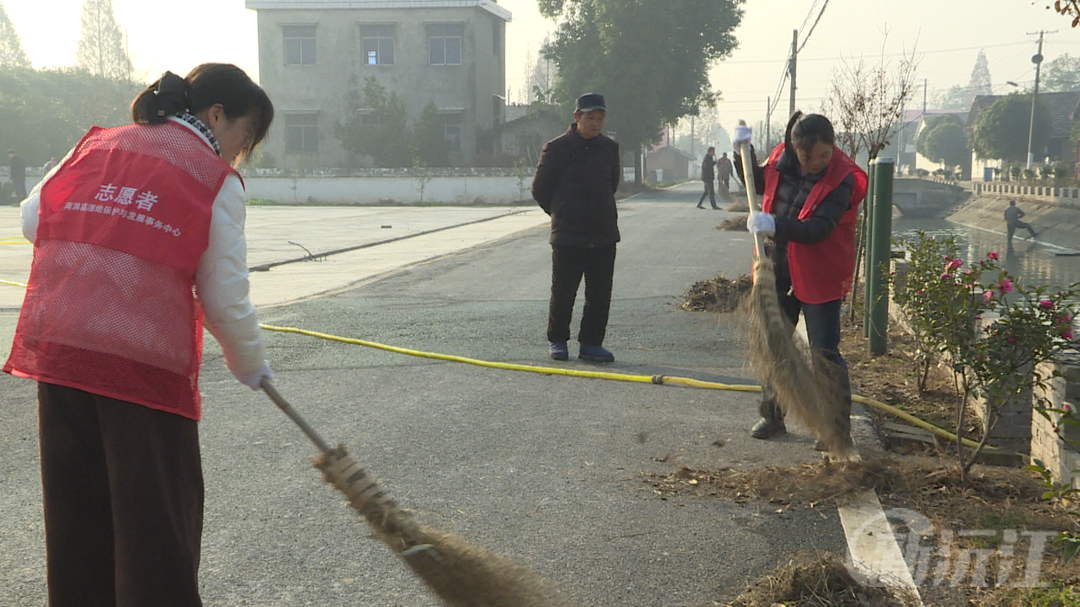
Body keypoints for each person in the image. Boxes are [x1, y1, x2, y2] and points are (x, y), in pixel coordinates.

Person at [4, 64, 274, 607]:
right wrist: (252, 366)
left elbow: (34, 219)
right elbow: (224, 297)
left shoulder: (100, 145)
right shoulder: (211, 179)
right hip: (139, 374)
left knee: (79, 524)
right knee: (154, 533)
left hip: (61, 357)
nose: (240, 152)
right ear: (216, 115)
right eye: (245, 136)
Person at [734, 112, 868, 448]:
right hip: (776, 267)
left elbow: (821, 228)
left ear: (832, 147)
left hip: (819, 272)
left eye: (824, 155)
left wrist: (776, 225)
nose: (816, 163)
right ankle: (772, 415)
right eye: (808, 156)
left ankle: (837, 428)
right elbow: (756, 181)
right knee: (775, 343)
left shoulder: (842, 179)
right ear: (794, 148)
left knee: (825, 351)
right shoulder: (781, 159)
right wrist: (743, 153)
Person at [532, 92, 621, 363]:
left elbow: (612, 185)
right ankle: (558, 340)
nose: (595, 123)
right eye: (590, 118)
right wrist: (561, 213)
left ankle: (591, 343)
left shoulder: (609, 148)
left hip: (603, 233)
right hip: (568, 235)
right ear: (576, 117)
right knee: (563, 292)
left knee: (599, 293)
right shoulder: (557, 148)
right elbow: (540, 189)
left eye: (599, 118)